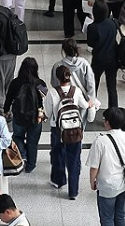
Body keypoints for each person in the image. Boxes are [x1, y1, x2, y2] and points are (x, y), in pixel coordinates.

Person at [44, 65, 90, 200]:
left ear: (57, 78)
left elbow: (47, 113)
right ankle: (73, 191)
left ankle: (59, 181)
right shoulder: (76, 91)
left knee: (58, 154)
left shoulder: (52, 93)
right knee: (74, 159)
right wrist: (91, 103)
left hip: (57, 129)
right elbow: (84, 106)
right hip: (75, 130)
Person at [87, 107, 125, 226]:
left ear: (108, 122)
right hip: (124, 183)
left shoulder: (100, 141)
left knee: (107, 217)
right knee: (120, 215)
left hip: (107, 185)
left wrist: (92, 181)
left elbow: (94, 167)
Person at [3, 57, 47, 173]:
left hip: (19, 116)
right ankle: (31, 165)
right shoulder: (39, 83)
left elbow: (9, 98)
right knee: (33, 142)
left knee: (18, 137)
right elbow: (45, 94)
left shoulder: (15, 83)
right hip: (35, 118)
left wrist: (6, 110)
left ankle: (22, 154)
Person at [87, 0, 120, 109]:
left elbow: (90, 43)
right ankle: (113, 110)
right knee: (112, 87)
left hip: (98, 59)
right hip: (112, 58)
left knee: (93, 84)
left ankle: (92, 107)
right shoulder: (113, 23)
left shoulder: (92, 27)